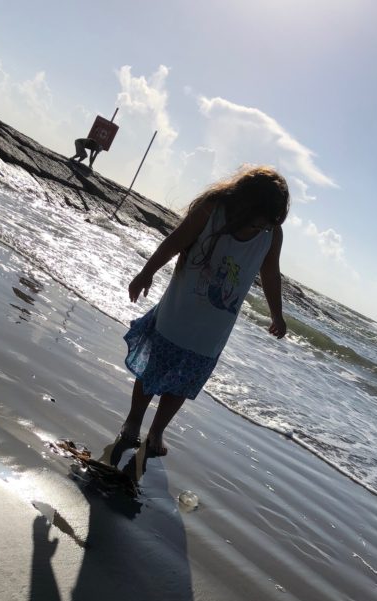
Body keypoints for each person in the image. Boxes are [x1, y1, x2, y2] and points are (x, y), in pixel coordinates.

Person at [121, 165, 290, 456]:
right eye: (257, 222)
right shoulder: (213, 209)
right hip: (178, 312)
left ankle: (157, 430)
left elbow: (271, 274)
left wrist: (277, 314)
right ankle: (134, 419)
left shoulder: (272, 234)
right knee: (152, 369)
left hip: (212, 329)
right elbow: (175, 242)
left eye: (266, 225)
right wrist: (146, 273)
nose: (261, 228)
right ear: (245, 204)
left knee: (184, 382)